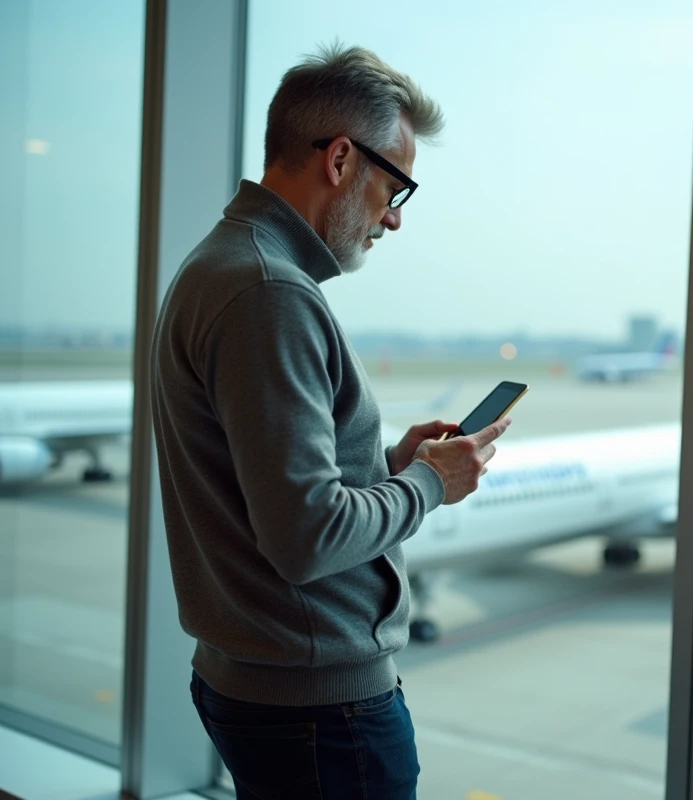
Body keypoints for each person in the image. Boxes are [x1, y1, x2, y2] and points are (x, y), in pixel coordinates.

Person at [149, 43, 507, 799]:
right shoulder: (269, 293)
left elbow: (266, 487)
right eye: (396, 186)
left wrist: (383, 465)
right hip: (318, 709)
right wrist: (429, 484)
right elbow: (305, 535)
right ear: (341, 160)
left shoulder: (223, 264)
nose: (395, 219)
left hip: (264, 684)